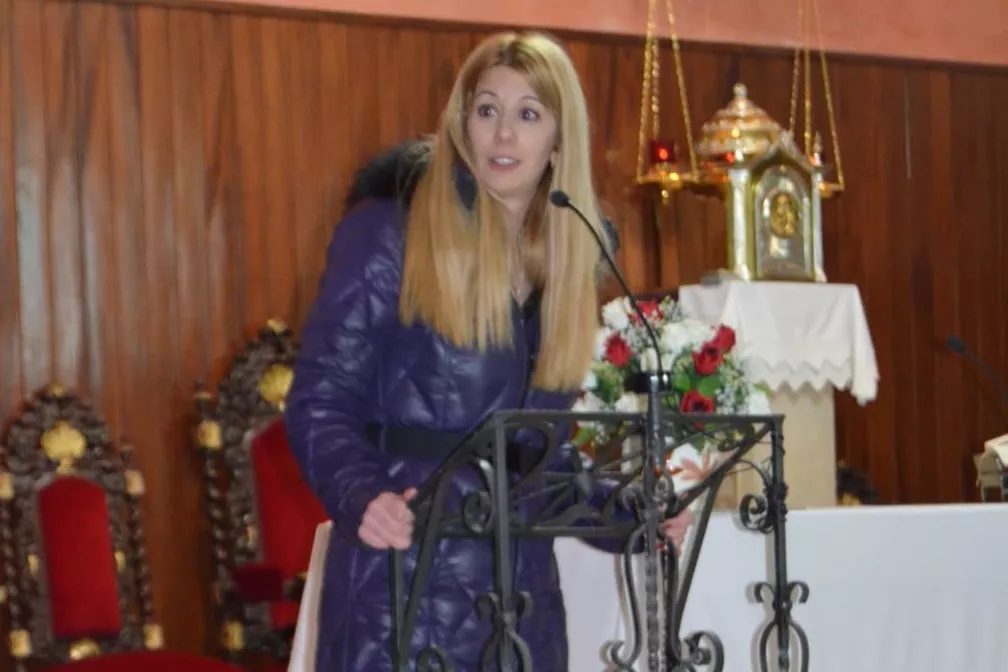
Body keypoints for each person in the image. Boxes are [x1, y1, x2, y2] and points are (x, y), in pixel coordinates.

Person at [284, 30, 695, 671]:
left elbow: (536, 461)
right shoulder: (391, 230)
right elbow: (320, 398)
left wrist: (632, 515)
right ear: (462, 123)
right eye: (487, 110)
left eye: (528, 114)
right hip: (403, 586)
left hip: (520, 602)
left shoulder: (566, 258)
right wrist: (360, 494)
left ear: (559, 142)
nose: (504, 135)